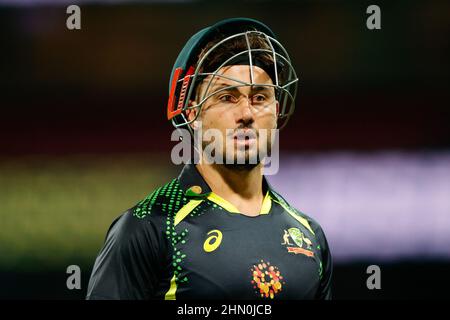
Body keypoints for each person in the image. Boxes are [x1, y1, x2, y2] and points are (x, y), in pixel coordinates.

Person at [86, 17, 332, 300]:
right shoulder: (149, 228)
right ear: (192, 113)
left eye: (259, 97)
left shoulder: (310, 236)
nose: (247, 114)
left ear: (276, 110)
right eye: (227, 97)